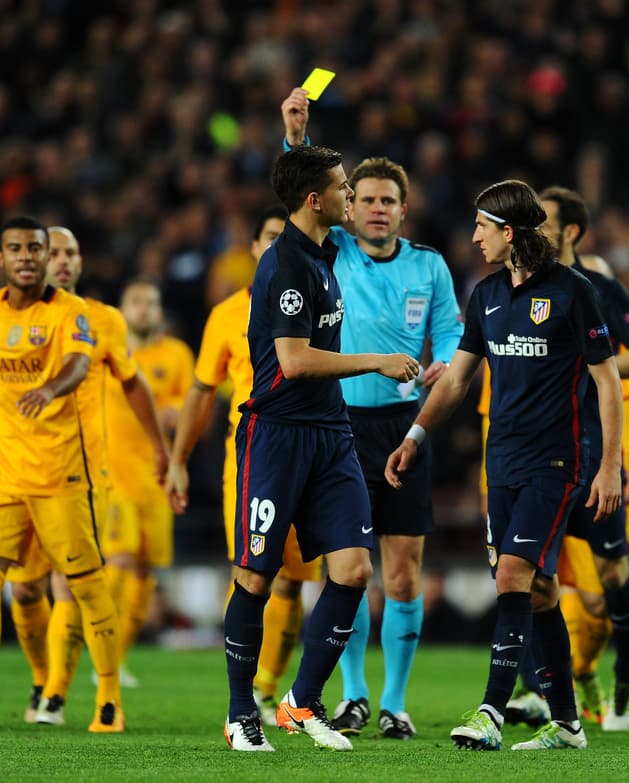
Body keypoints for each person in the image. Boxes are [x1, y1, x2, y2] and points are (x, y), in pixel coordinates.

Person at [386, 180, 623, 752]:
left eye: (482, 227)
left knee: (512, 575)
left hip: (557, 461)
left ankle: (490, 712)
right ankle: (567, 724)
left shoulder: (573, 291)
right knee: (539, 590)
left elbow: (608, 380)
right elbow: (458, 380)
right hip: (503, 464)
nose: (474, 237)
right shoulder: (487, 294)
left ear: (509, 232)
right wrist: (416, 434)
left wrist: (610, 465)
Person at [219, 145, 419, 752]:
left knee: (355, 570)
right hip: (277, 436)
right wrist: (377, 361)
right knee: (256, 576)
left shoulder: (323, 253)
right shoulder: (284, 265)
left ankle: (301, 703)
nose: (351, 196)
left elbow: (304, 171)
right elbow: (294, 360)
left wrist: (296, 135)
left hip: (331, 434)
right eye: (343, 187)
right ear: (315, 200)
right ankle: (240, 714)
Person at [281, 87, 465, 740]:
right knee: (349, 565)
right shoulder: (332, 249)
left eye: (389, 201)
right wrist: (296, 140)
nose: (378, 209)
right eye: (366, 200)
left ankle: (394, 701)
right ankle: (355, 693)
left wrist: (446, 360)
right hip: (341, 429)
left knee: (404, 569)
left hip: (404, 428)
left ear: (403, 210)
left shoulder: (429, 266)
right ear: (348, 206)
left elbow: (451, 332)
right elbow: (300, 196)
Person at [0, 216, 124, 733]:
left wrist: (49, 389)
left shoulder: (70, 310)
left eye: (35, 248)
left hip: (60, 473)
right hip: (2, 472)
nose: (27, 257)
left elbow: (79, 364)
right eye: (16, 248)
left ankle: (108, 696)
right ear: (1, 258)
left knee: (84, 584)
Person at [167, 205, 326, 728]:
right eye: (270, 237)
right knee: (252, 571)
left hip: (309, 450)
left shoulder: (320, 296)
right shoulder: (226, 314)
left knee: (294, 580)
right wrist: (179, 459)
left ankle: (269, 688)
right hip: (252, 458)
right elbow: (201, 390)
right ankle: (248, 693)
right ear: (255, 248)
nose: (279, 245)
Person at [5, 226, 166, 726]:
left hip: (83, 475)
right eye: (54, 252)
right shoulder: (6, 316)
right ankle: (41, 679)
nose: (63, 260)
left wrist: (162, 449)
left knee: (68, 584)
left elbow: (133, 384)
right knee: (24, 590)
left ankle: (54, 694)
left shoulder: (104, 320)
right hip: (19, 470)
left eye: (71, 252)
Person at [536, 185, 629, 732]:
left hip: (597, 452)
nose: (534, 228)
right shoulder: (520, 285)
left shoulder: (597, 287)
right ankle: (544, 691)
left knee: (610, 574)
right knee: (530, 575)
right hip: (543, 455)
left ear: (571, 231)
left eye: (545, 220)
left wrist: (591, 362)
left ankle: (627, 674)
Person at [104, 279, 188, 683]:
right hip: (113, 475)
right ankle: (99, 649)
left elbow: (192, 401)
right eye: (136, 301)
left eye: (151, 302)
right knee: (119, 560)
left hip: (156, 476)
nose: (143, 309)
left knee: (144, 573)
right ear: (122, 310)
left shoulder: (176, 355)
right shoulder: (107, 353)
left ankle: (115, 658)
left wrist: (176, 412)